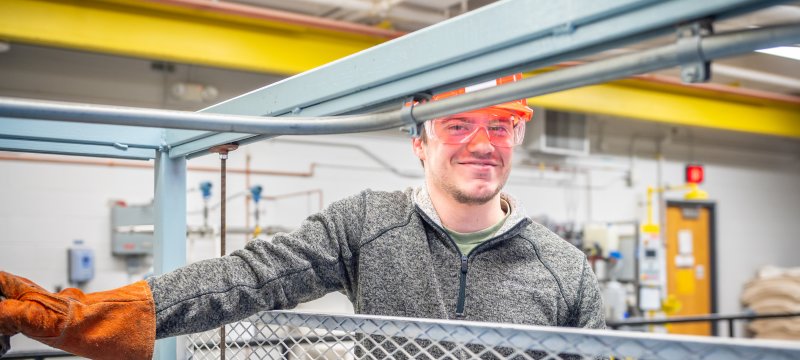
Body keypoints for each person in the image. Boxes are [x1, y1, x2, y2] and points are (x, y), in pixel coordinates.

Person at [0, 74, 605, 360]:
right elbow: (243, 279)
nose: (482, 142)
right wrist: (81, 316)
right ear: (419, 142)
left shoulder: (564, 268)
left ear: (518, 135)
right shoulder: (369, 225)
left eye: (499, 125)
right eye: (458, 124)